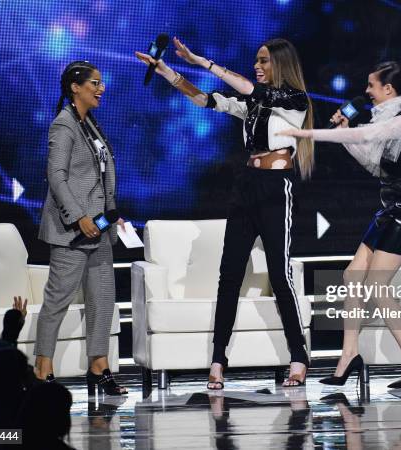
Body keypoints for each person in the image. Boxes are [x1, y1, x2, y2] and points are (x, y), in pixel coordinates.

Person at [135, 37, 314, 388]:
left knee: (280, 274)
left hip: (276, 188)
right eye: (256, 61)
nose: (257, 66)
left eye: (264, 61)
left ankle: (299, 355)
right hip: (246, 186)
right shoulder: (254, 104)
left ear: (281, 64)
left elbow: (249, 88)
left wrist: (203, 60)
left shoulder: (295, 101)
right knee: (228, 274)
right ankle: (218, 360)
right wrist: (167, 71)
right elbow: (206, 100)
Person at [278, 61, 401, 388]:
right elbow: (373, 164)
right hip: (389, 209)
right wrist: (340, 133)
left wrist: (307, 133)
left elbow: (365, 134)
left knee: (376, 284)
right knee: (351, 276)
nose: (366, 91)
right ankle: (349, 355)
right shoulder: (383, 121)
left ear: (388, 90)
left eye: (371, 85)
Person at [34, 61, 127, 395]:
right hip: (73, 232)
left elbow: (99, 179)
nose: (101, 89)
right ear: (75, 87)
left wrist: (110, 214)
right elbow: (56, 176)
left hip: (99, 230)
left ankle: (98, 368)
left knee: (102, 300)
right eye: (94, 83)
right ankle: (42, 369)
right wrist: (78, 216)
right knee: (57, 301)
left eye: (101, 83)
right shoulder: (64, 125)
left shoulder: (92, 126)